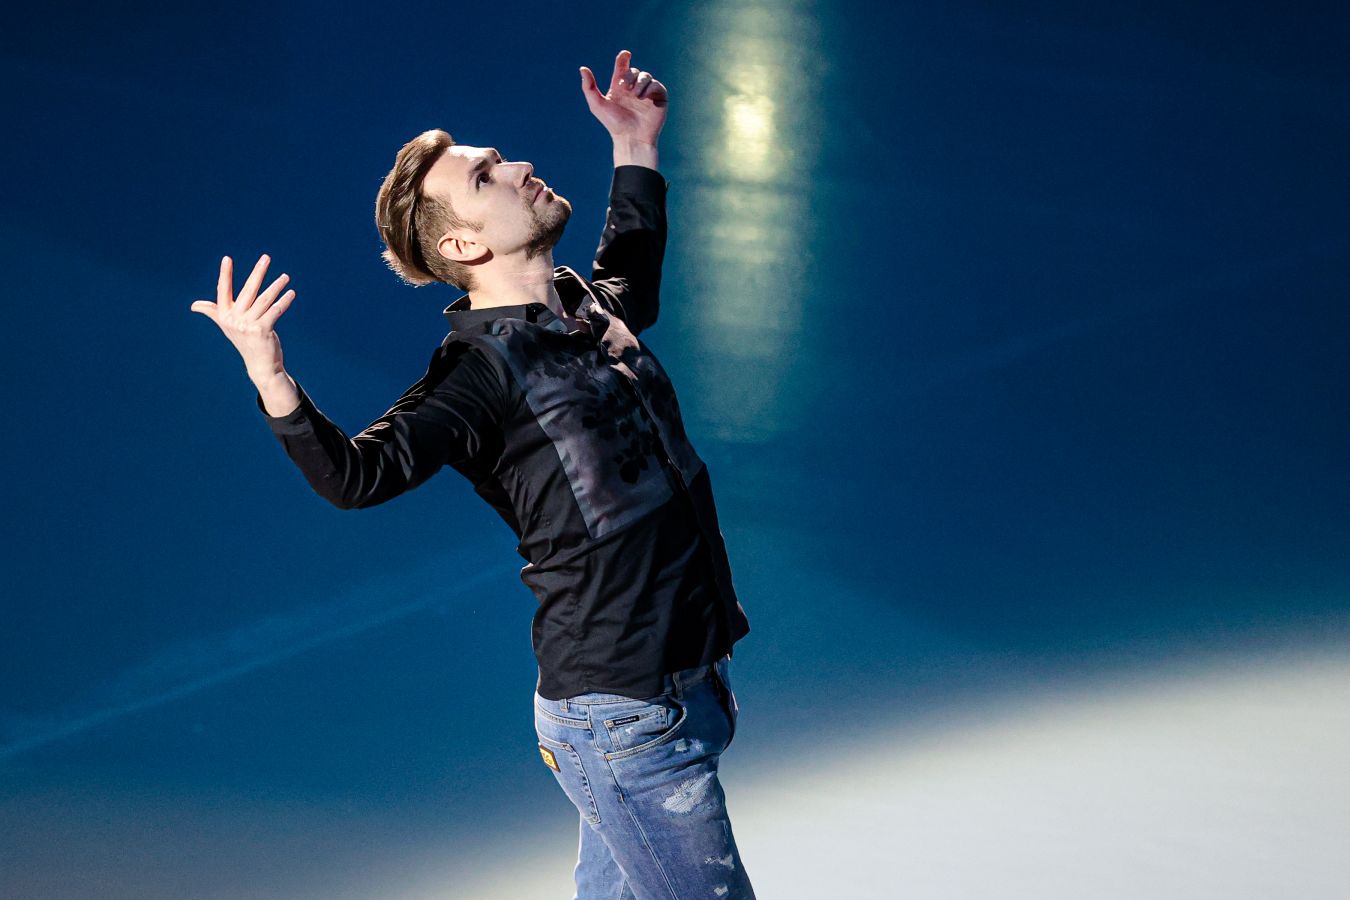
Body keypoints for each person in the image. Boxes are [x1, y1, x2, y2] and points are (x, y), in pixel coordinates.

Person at [189, 50, 756, 898]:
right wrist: (272, 377)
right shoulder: (477, 374)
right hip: (625, 716)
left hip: (685, 681)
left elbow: (630, 279)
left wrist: (635, 147)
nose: (519, 167)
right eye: (488, 176)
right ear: (462, 243)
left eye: (499, 160)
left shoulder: (579, 304)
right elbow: (358, 475)